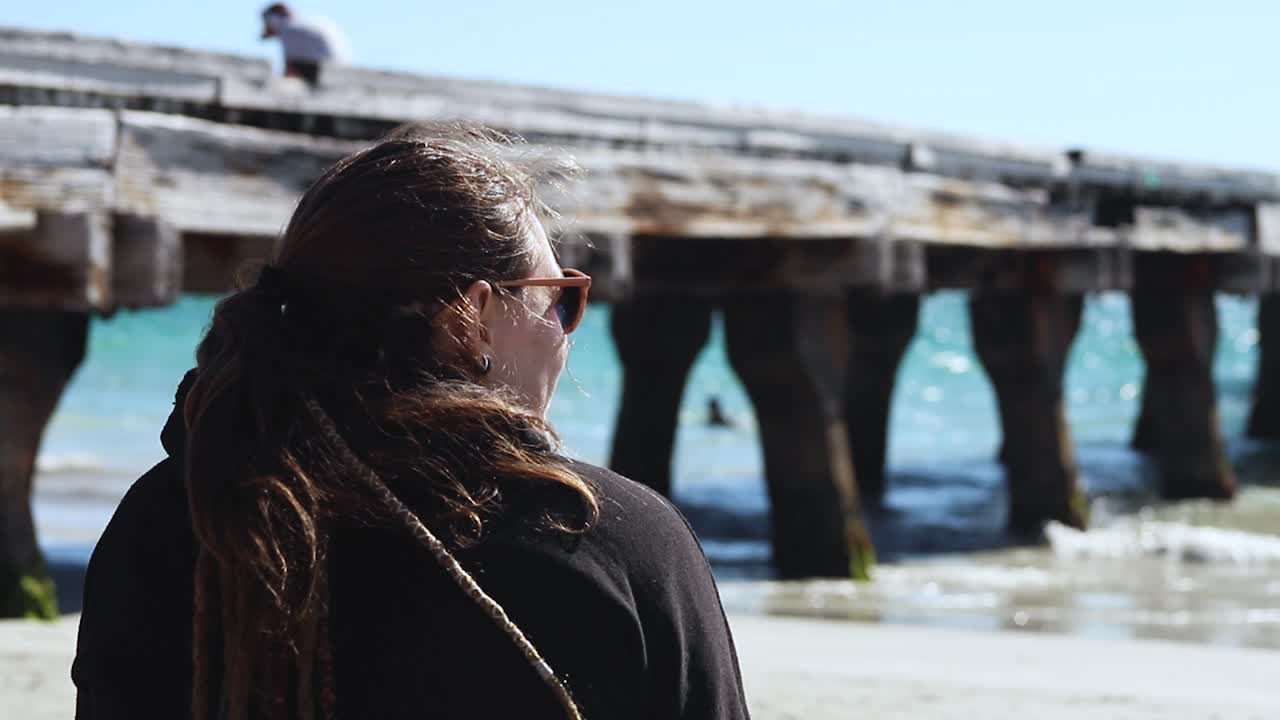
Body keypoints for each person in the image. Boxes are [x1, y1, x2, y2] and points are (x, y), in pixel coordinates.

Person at [72, 125, 750, 720]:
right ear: (470, 319)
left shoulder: (170, 519)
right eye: (558, 302)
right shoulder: (611, 543)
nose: (566, 331)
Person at [260, 3, 349, 87]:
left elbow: (290, 69)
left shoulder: (289, 30)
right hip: (336, 69)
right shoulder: (303, 24)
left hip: (320, 70)